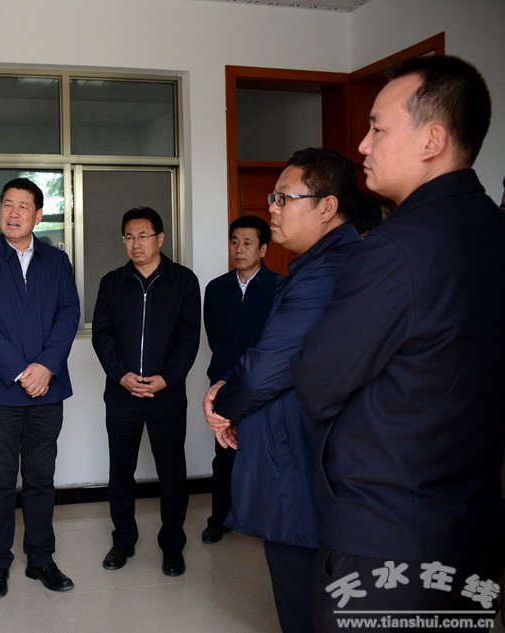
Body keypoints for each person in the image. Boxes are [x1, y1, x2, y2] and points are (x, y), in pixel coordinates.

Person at [290, 55, 505, 632]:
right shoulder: (490, 228)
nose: (363, 145)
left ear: (432, 140)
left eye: (378, 128)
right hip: (470, 525)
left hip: (388, 542)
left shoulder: (396, 248)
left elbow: (317, 382)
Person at [203, 148, 359, 633]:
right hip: (299, 449)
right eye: (272, 197)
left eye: (283, 198)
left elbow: (269, 367)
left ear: (327, 207)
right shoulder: (312, 265)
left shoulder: (326, 272)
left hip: (303, 457)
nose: (272, 207)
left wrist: (222, 405)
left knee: (305, 594)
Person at [0, 177, 80, 599]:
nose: (13, 213)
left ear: (38, 215)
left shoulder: (57, 262)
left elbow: (69, 315)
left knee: (41, 478)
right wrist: (20, 371)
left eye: (23, 206)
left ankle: (41, 558)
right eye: (7, 204)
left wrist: (45, 367)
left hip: (48, 389)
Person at [91, 206, 200, 575]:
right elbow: (102, 335)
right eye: (128, 237)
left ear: (160, 238)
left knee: (171, 470)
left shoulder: (183, 281)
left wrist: (167, 378)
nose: (135, 243)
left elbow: (189, 337)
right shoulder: (112, 283)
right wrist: (120, 374)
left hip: (166, 393)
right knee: (121, 469)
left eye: (142, 236)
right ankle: (123, 540)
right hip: (122, 393)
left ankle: (172, 544)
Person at [201, 214, 277, 545]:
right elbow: (214, 338)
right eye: (234, 242)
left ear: (263, 249)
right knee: (225, 455)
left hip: (268, 384)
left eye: (247, 243)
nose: (239, 249)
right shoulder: (216, 289)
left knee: (268, 453)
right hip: (225, 384)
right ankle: (220, 519)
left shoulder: (280, 287)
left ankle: (268, 520)